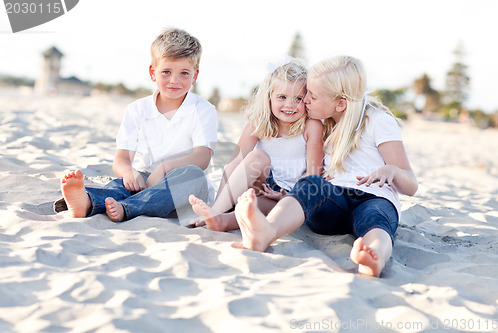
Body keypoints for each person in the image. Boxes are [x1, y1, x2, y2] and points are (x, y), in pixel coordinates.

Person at [233, 55, 418, 277]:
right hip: (334, 200)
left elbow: (411, 186)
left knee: (376, 219)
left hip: (374, 196)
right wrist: (286, 197)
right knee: (312, 184)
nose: (305, 100)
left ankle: (373, 258)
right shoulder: (322, 123)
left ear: (340, 103)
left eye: (312, 95)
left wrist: (393, 171)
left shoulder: (378, 121)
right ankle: (266, 231)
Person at [54, 28, 217, 223]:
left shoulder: (203, 109)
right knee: (120, 184)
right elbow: (121, 159)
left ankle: (127, 207)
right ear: (152, 72)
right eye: (166, 71)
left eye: (184, 73)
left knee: (193, 175)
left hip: (183, 186)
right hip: (145, 179)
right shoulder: (137, 110)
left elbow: (202, 157)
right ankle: (87, 202)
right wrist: (129, 172)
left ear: (194, 76)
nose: (174, 80)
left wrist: (165, 169)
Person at [188, 59, 324, 232]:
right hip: (259, 185)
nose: (290, 105)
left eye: (298, 98)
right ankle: (217, 211)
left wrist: (288, 197)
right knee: (258, 157)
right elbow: (235, 163)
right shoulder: (257, 123)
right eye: (282, 97)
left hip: (290, 196)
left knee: (252, 206)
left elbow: (313, 175)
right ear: (269, 97)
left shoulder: (311, 126)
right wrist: (220, 202)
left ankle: (223, 220)